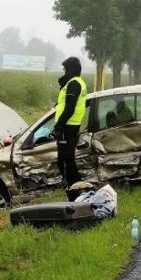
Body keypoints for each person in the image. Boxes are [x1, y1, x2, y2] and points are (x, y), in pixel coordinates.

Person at [53, 56, 87, 186]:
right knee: (69, 157)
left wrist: (59, 126)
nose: (63, 72)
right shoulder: (78, 82)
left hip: (67, 126)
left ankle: (71, 184)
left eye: (65, 70)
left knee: (65, 159)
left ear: (70, 70)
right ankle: (74, 182)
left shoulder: (73, 84)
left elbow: (69, 108)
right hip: (73, 125)